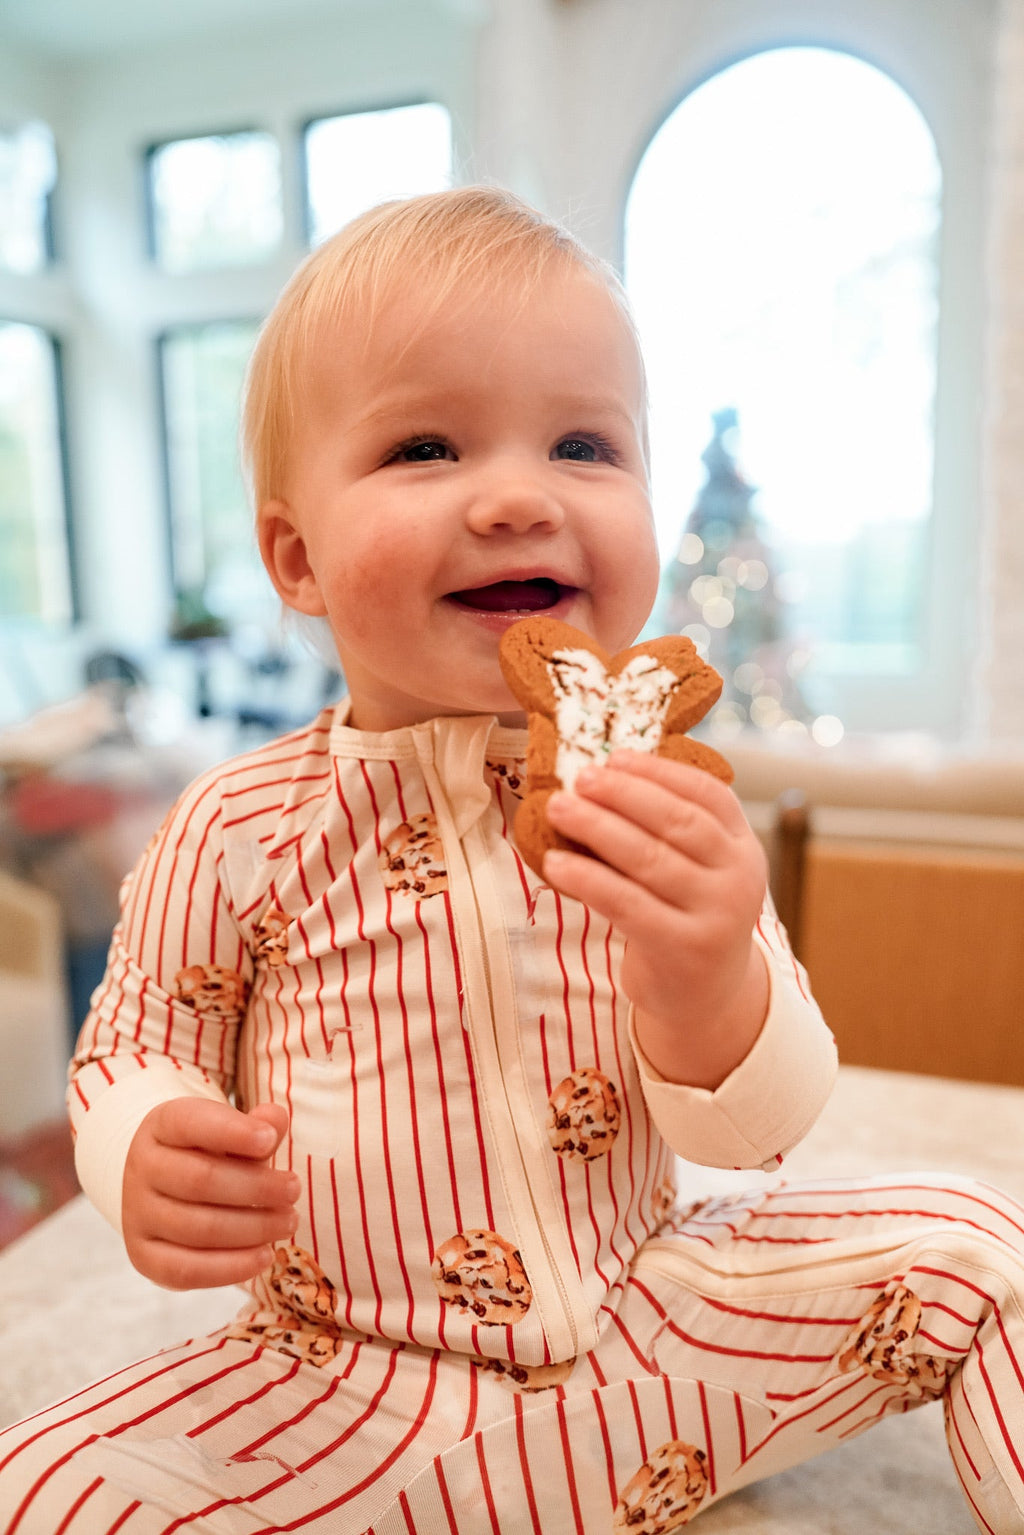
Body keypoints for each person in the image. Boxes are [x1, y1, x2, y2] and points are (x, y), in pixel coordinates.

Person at [1, 186, 1021, 1535]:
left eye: (584, 445)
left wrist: (711, 968)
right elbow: (135, 1045)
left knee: (987, 1244)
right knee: (44, 1485)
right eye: (426, 447)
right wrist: (141, 1146)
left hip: (654, 1332)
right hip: (343, 1377)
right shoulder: (234, 823)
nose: (522, 497)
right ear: (298, 559)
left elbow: (759, 1130)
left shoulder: (662, 805)